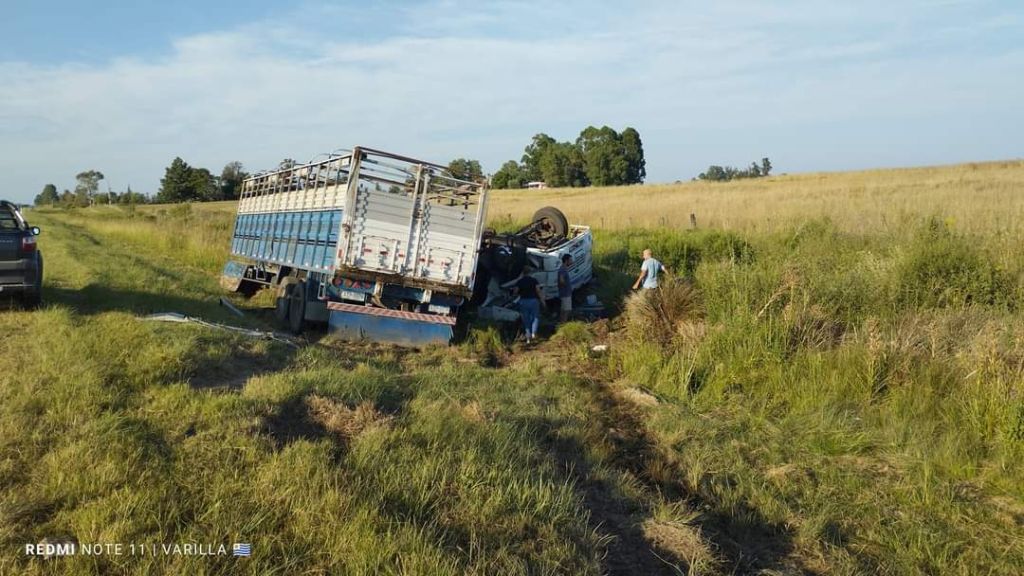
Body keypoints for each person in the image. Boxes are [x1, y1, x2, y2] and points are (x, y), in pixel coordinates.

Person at [513, 269, 546, 344]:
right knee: (535, 317)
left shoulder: (520, 281)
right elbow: (538, 291)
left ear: (523, 273)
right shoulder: (534, 280)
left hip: (523, 301)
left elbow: (515, 291)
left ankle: (528, 337)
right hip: (533, 301)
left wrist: (517, 294)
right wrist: (543, 301)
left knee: (526, 319)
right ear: (530, 273)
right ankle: (534, 333)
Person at [557, 253, 573, 322]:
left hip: (566, 293)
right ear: (566, 261)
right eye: (570, 260)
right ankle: (563, 323)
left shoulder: (564, 269)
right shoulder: (562, 269)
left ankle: (562, 323)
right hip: (565, 293)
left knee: (564, 310)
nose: (572, 261)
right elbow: (561, 280)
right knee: (566, 310)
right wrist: (566, 286)